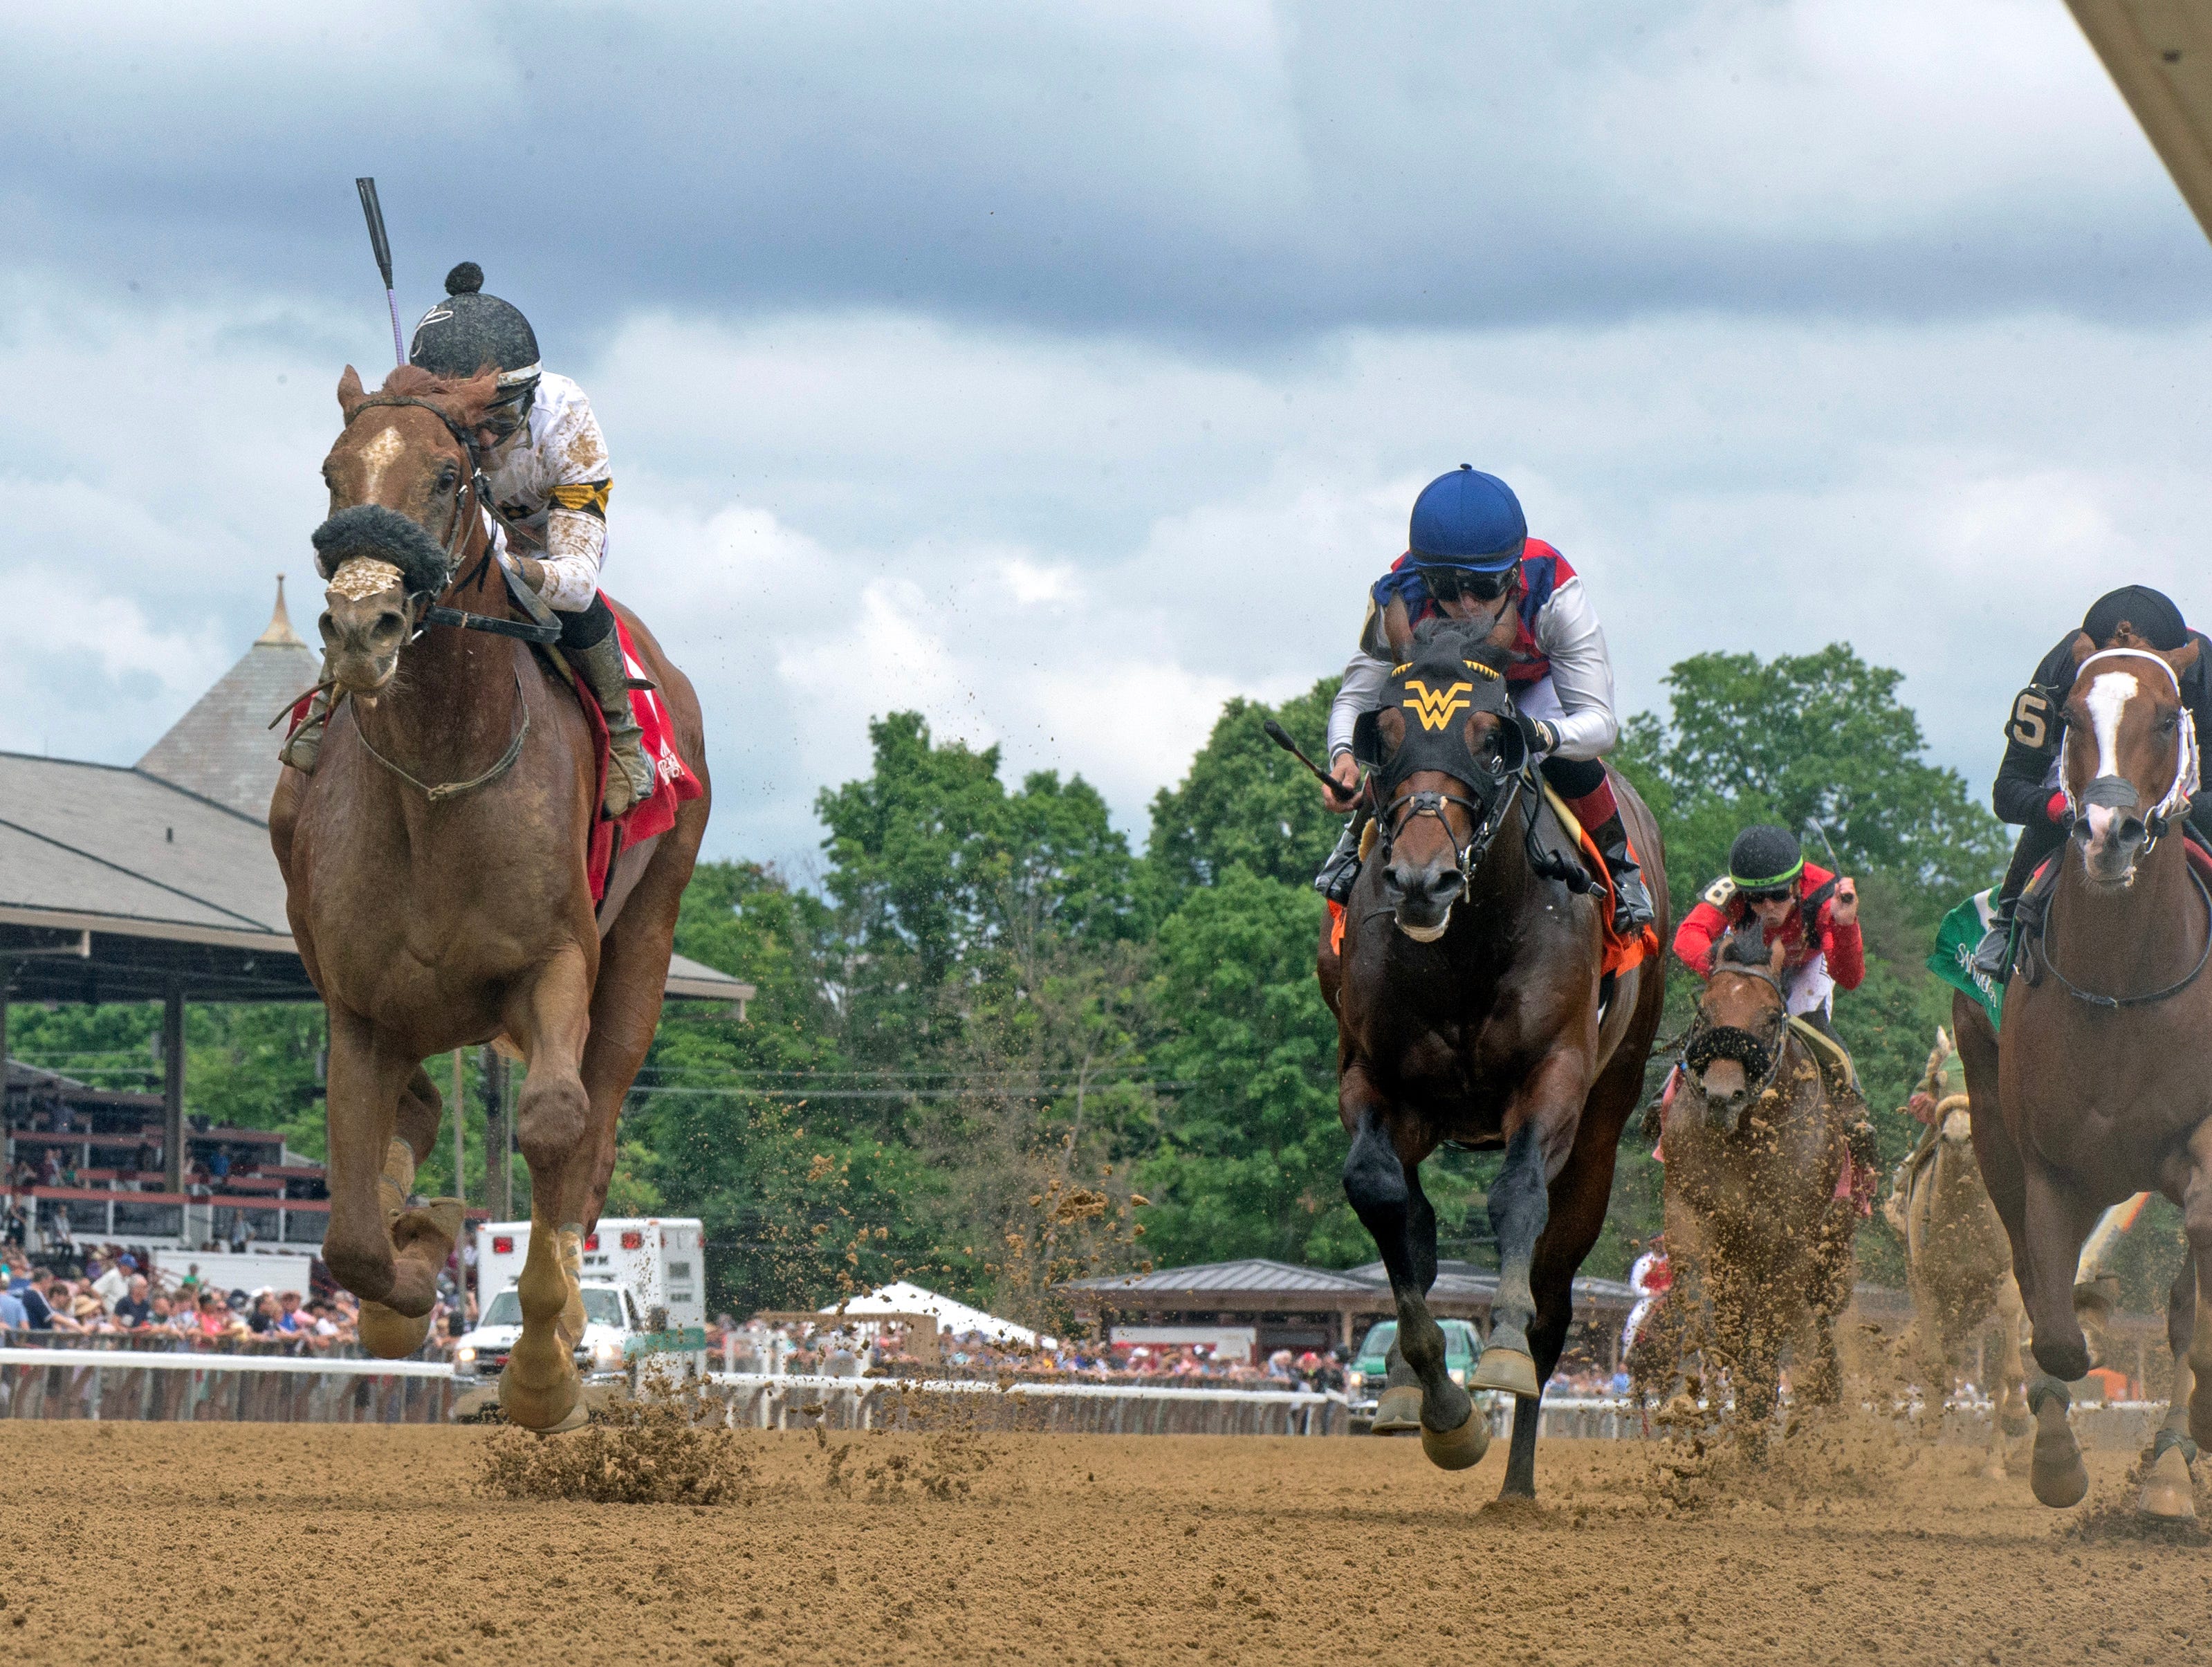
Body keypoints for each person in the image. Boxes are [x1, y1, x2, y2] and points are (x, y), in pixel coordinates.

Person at [280, 261, 656, 817]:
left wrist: (508, 566)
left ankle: (624, 739)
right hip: (450, 531)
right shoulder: (415, 421)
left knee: (579, 607)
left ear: (527, 398)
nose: (481, 434)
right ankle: (324, 702)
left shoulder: (567, 422)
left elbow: (576, 583)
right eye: (465, 416)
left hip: (541, 541)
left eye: (497, 417)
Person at [1314, 466, 1653, 934]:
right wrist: (1343, 757)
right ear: (1425, 576)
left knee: (1553, 754)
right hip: (1447, 694)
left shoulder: (1557, 591)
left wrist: (1544, 734)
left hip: (1534, 690)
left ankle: (1621, 868)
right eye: (1447, 589)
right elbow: (1355, 697)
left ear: (1513, 573)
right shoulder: (1399, 591)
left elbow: (1599, 723)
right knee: (1411, 740)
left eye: (1484, 587)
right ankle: (1352, 847)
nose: (1467, 604)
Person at [1971, 585, 2212, 977]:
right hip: (2079, 798)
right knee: (2053, 824)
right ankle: (2007, 922)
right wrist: (2063, 810)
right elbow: (2009, 790)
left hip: (2175, 796)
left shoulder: (2205, 669)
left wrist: (2168, 809)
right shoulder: (2060, 669)